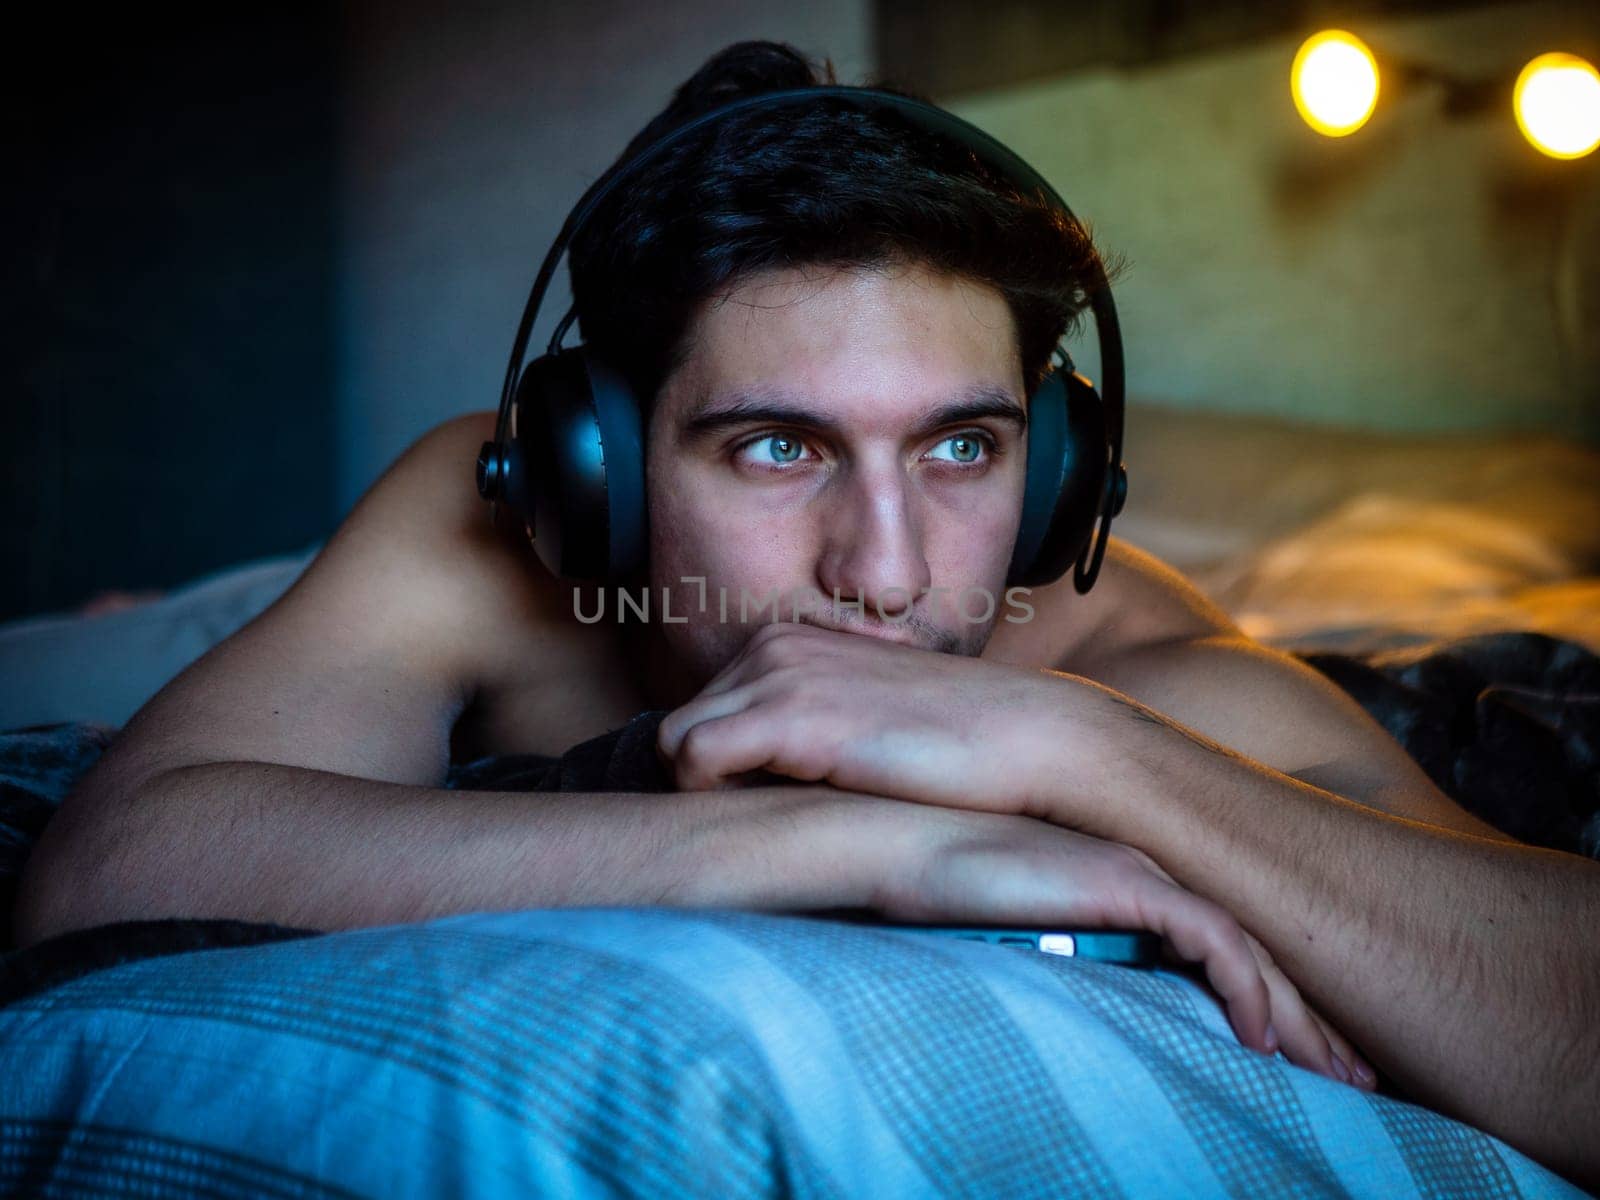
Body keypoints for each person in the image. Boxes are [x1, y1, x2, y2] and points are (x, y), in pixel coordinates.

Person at [15, 40, 1597, 1190]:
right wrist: (863, 846)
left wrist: (1072, 744)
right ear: (596, 468)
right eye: (779, 446)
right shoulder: (491, 525)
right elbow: (105, 865)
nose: (888, 572)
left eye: (963, 448)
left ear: (1054, 471)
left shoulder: (1165, 676)